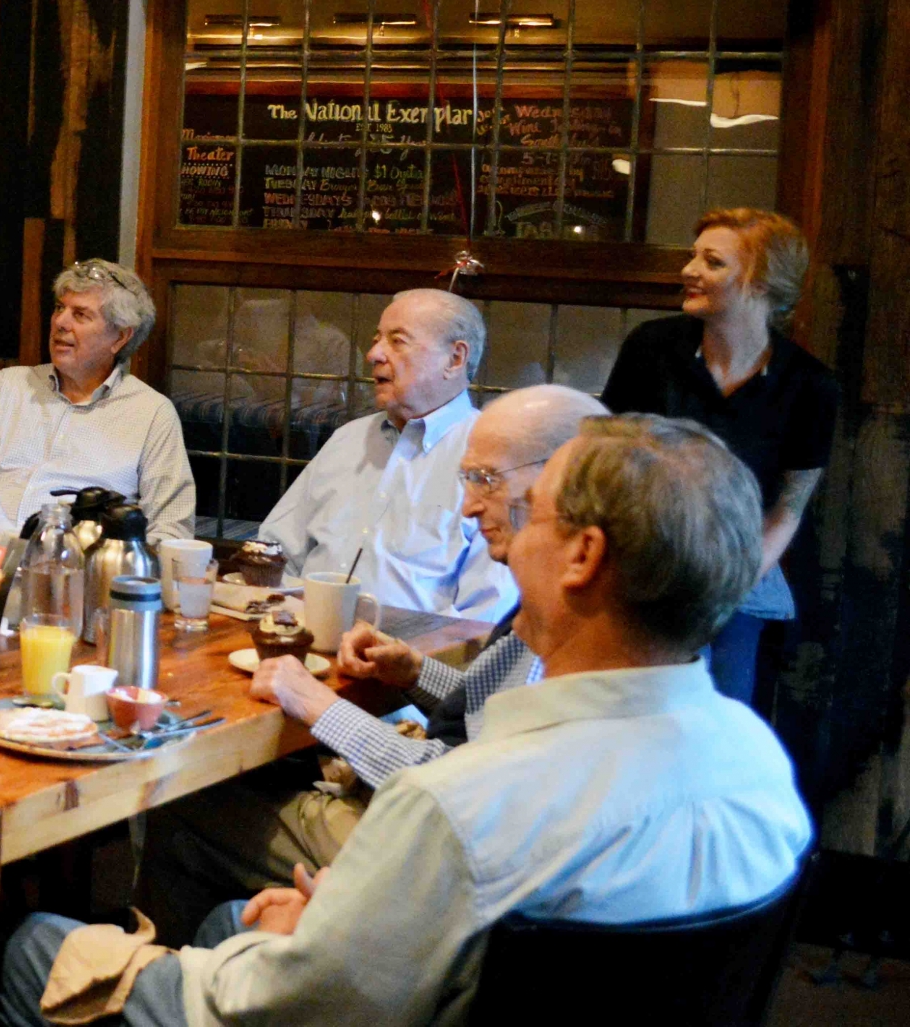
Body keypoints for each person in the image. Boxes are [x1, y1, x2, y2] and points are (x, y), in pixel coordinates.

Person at [3, 414, 812, 1027]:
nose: (490, 526)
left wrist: (300, 938)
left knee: (34, 943)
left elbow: (283, 1002)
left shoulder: (463, 804)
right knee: (227, 918)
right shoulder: (762, 765)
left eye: (529, 509)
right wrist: (331, 922)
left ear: (583, 556)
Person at [133, 385, 604, 943]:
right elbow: (496, 722)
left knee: (181, 800)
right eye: (466, 479)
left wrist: (319, 704)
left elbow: (456, 788)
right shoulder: (575, 620)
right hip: (440, 826)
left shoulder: (570, 616)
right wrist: (414, 672)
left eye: (486, 479)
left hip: (432, 851)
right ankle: (236, 949)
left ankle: (185, 976)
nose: (470, 505)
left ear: (561, 484)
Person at [603, 208, 837, 708]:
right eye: (693, 257)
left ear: (761, 283)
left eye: (712, 262)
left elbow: (788, 509)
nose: (689, 270)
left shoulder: (810, 386)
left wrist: (727, 584)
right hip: (640, 558)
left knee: (722, 717)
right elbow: (605, 460)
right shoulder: (651, 348)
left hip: (739, 572)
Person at [256, 288, 511, 620]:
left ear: (455, 359)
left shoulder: (496, 459)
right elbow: (272, 551)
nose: (373, 354)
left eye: (397, 341)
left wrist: (396, 657)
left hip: (412, 663)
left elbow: (486, 614)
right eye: (377, 339)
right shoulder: (348, 440)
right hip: (302, 642)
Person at [0, 259, 194, 544]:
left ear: (120, 337)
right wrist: (9, 542)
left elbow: (171, 527)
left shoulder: (152, 413)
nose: (60, 322)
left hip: (86, 575)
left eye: (80, 314)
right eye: (59, 308)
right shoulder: (9, 386)